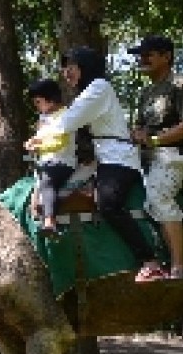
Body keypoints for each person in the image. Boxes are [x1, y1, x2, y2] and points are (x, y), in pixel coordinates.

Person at [26, 46, 163, 282]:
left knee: (107, 202)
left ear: (85, 67)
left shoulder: (99, 88)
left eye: (72, 66)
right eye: (65, 67)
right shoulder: (90, 92)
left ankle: (149, 261)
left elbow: (69, 121)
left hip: (118, 159)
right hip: (103, 158)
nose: (66, 72)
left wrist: (40, 138)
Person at [128, 35, 183, 280]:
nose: (142, 59)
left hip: (173, 155)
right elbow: (139, 129)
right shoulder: (146, 93)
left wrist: (154, 140)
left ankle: (178, 267)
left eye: (148, 54)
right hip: (146, 158)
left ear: (167, 56)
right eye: (141, 55)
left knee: (159, 199)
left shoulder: (179, 84)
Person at [25, 78, 78, 236]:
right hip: (45, 162)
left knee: (48, 181)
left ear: (52, 100)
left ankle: (49, 221)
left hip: (63, 162)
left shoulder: (66, 116)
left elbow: (60, 142)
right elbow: (40, 137)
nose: (37, 106)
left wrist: (38, 146)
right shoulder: (43, 118)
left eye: (38, 102)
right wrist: (32, 142)